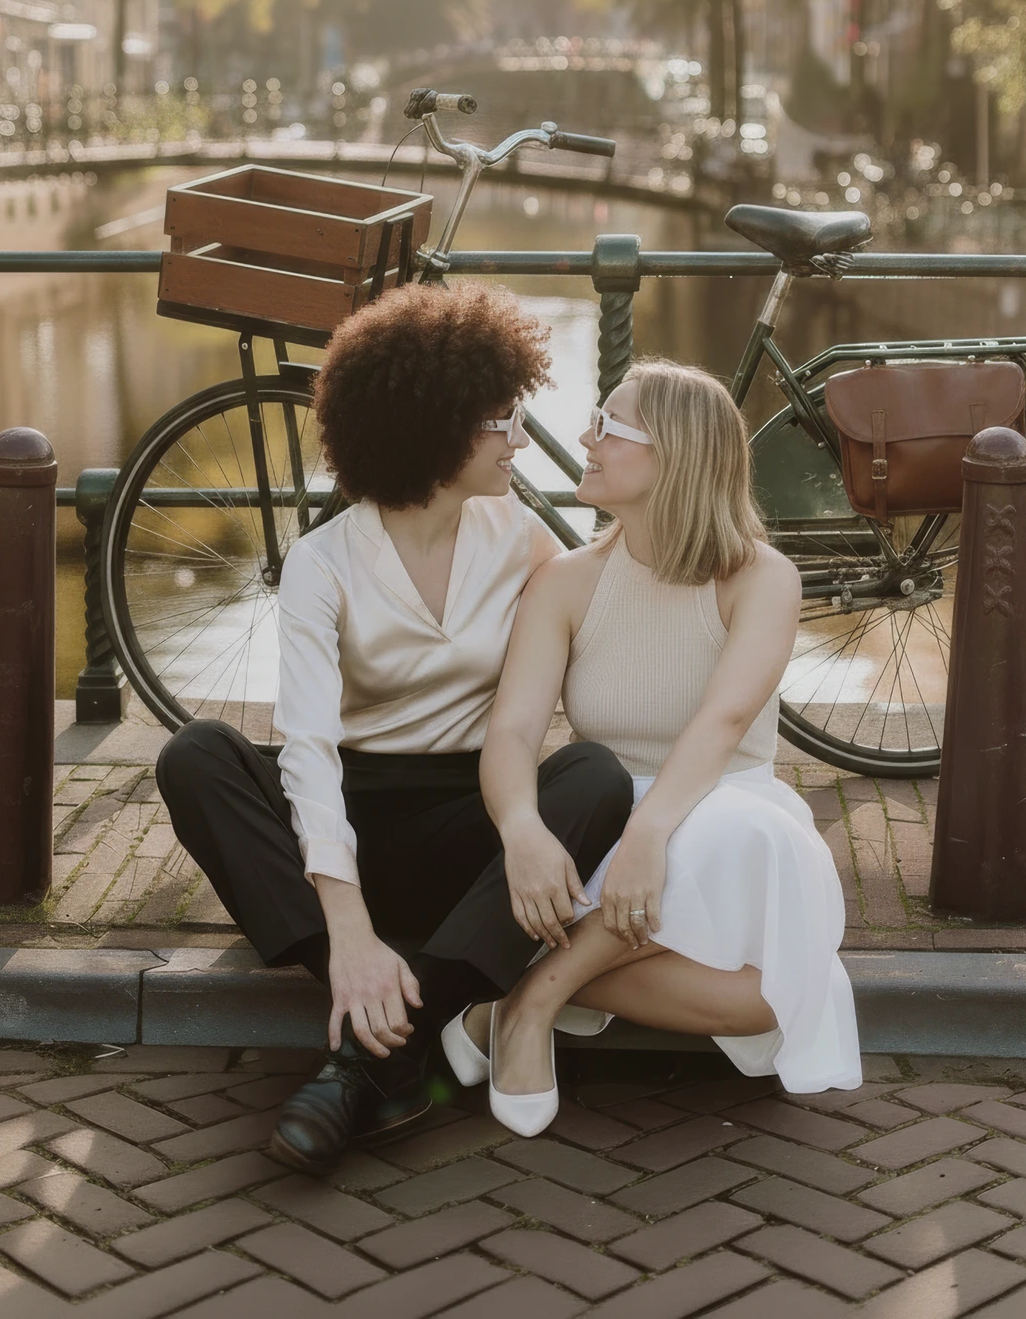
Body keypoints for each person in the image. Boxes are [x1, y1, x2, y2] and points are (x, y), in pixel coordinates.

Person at [155, 283, 632, 1174]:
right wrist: (348, 929)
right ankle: (390, 1007)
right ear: (437, 427)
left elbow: (581, 674)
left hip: (471, 819)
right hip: (355, 819)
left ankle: (371, 1055)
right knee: (197, 757)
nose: (520, 439)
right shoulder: (322, 562)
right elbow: (308, 750)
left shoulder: (525, 539)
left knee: (595, 776)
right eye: (502, 419)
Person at [445, 360, 861, 1134]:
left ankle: (524, 992)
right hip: (604, 816)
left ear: (675, 454)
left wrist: (652, 833)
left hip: (719, 813)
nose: (584, 438)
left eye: (609, 427)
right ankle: (531, 1008)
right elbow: (511, 731)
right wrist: (523, 830)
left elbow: (723, 723)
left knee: (771, 987)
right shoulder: (566, 580)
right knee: (656, 822)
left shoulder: (761, 577)